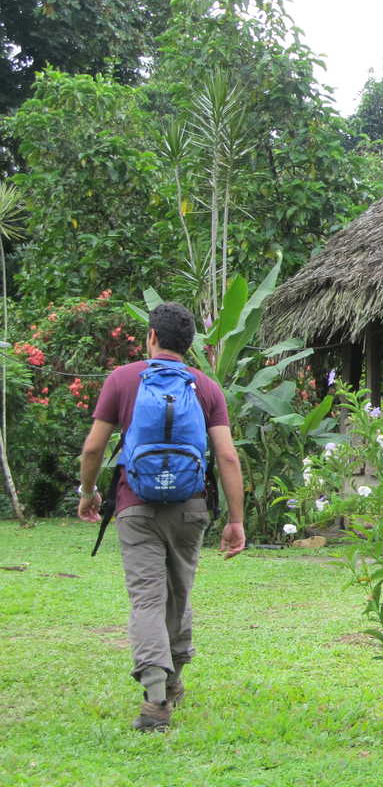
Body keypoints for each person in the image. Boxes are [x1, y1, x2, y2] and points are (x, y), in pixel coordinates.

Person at [76, 302, 245, 731]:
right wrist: (235, 520)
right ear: (190, 344)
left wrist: (89, 492)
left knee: (147, 599)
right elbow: (226, 455)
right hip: (190, 507)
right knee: (179, 592)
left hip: (136, 506)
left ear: (151, 336)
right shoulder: (205, 388)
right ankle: (174, 682)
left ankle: (156, 701)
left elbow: (94, 447)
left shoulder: (123, 380)